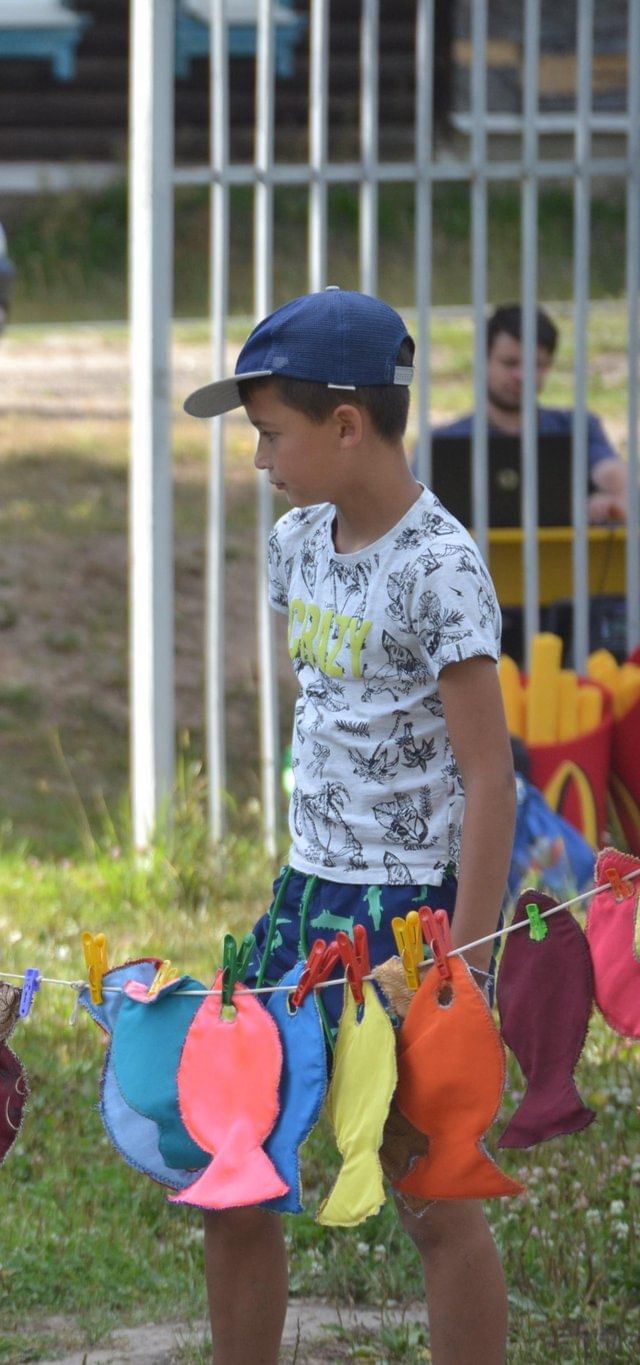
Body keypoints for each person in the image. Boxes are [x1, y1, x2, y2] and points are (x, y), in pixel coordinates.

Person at [183, 288, 514, 1365]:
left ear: (343, 423)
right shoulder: (292, 544)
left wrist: (457, 962)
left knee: (431, 1195)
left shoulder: (440, 567)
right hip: (303, 897)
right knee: (235, 1175)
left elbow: (487, 773)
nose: (259, 459)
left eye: (270, 435)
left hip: (412, 913)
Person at [432, 303, 627, 523]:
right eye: (510, 363)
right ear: (483, 361)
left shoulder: (579, 427)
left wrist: (613, 501)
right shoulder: (441, 442)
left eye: (535, 364)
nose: (522, 375)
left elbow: (613, 476)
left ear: (549, 366)